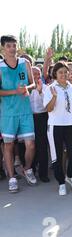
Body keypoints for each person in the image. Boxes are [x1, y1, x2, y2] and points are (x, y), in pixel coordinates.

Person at [0, 35, 37, 193]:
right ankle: (12, 178)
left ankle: (27, 168)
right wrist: (15, 91)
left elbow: (33, 83)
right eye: (9, 46)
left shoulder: (25, 62)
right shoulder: (0, 67)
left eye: (14, 45)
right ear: (3, 48)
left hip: (25, 111)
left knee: (31, 145)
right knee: (8, 145)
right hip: (8, 113)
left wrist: (28, 88)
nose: (12, 48)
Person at [44, 62, 72, 195]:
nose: (64, 74)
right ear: (55, 74)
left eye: (66, 72)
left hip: (71, 125)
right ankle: (61, 182)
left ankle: (71, 176)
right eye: (61, 72)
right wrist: (54, 97)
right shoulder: (50, 88)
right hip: (55, 126)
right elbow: (48, 109)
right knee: (57, 155)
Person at [29, 66, 50, 182]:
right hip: (29, 118)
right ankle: (30, 169)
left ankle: (43, 173)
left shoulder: (46, 88)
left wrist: (41, 91)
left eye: (38, 74)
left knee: (42, 146)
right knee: (29, 145)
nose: (36, 76)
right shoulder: (26, 88)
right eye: (33, 74)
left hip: (42, 117)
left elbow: (46, 105)